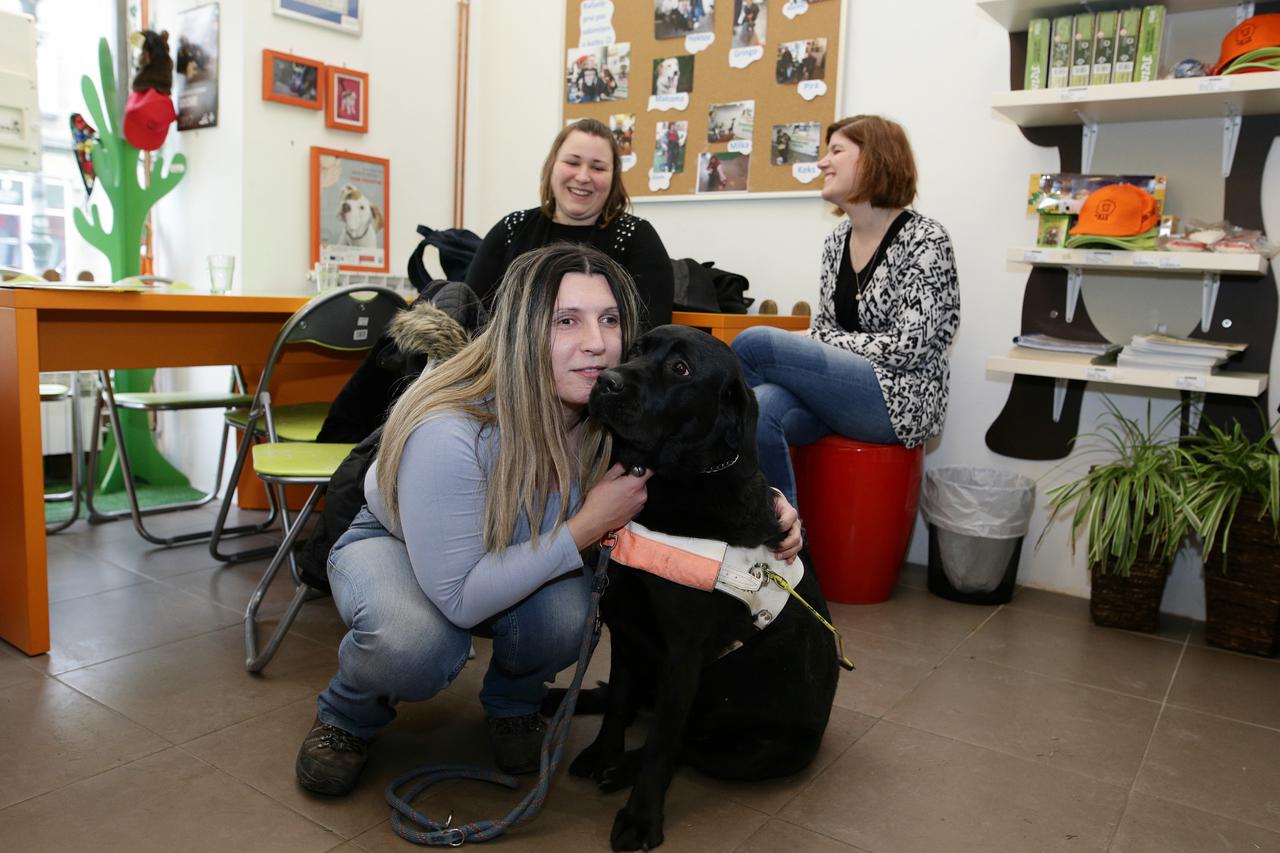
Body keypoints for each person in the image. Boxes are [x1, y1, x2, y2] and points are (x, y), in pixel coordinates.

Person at [295, 243, 802, 796]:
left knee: (572, 615)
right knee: (416, 641)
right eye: (567, 321)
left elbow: (697, 459)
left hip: (517, 544)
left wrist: (768, 505)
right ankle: (348, 715)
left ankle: (512, 705)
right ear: (522, 329)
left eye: (609, 320)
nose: (596, 342)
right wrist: (587, 525)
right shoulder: (452, 430)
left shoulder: (603, 409)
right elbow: (462, 596)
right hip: (398, 543)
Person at [731, 115, 959, 509]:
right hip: (842, 398)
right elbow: (826, 327)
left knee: (755, 343)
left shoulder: (926, 238)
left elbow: (909, 347)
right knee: (763, 408)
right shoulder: (837, 239)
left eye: (836, 150)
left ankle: (713, 487)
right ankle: (781, 541)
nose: (822, 162)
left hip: (900, 401)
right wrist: (821, 338)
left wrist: (819, 340)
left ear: (875, 160)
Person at [466, 118, 674, 330]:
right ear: (552, 166)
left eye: (598, 167)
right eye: (572, 163)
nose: (583, 177)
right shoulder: (512, 229)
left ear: (613, 177)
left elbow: (650, 334)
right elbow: (470, 317)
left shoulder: (637, 237)